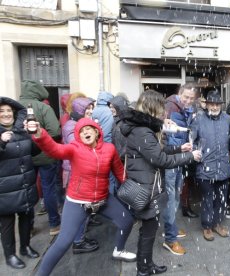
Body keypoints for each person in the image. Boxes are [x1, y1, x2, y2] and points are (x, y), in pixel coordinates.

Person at [29, 118, 136, 276]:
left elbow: (119, 171)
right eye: (81, 130)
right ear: (78, 136)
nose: (85, 132)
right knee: (63, 241)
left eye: (89, 128)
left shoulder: (109, 149)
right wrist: (39, 133)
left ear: (96, 131)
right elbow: (54, 150)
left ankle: (119, 250)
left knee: (127, 221)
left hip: (103, 199)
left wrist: (132, 187)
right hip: (78, 202)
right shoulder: (74, 148)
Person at [119, 90, 201, 275]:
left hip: (149, 184)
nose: (164, 111)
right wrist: (189, 156)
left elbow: (159, 151)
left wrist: (179, 148)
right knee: (148, 231)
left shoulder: (144, 128)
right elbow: (160, 160)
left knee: (150, 229)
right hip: (145, 186)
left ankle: (147, 266)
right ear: (153, 107)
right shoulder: (142, 131)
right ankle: (144, 269)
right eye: (161, 107)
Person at [0, 97, 39, 269]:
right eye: (1, 111)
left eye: (9, 110)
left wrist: (35, 134)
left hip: (25, 183)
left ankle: (25, 247)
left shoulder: (21, 130)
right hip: (4, 188)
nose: (6, 114)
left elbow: (35, 152)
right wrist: (1, 142)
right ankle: (10, 255)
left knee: (26, 216)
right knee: (7, 223)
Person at [19, 80, 62, 236]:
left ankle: (28, 227)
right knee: (48, 189)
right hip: (45, 156)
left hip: (22, 157)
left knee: (26, 191)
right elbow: (55, 131)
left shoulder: (13, 107)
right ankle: (54, 225)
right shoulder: (44, 108)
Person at [191, 90, 230, 241]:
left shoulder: (228, 119)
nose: (214, 107)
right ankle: (207, 226)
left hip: (223, 166)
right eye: (211, 104)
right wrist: (196, 151)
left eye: (217, 105)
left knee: (221, 198)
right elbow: (191, 140)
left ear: (221, 106)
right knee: (208, 198)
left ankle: (217, 223)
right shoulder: (199, 120)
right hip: (205, 167)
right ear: (207, 105)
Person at [62, 97, 99, 254]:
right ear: (79, 110)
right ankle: (78, 242)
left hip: (81, 171)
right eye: (87, 109)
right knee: (80, 208)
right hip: (75, 172)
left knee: (84, 208)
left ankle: (80, 237)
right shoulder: (71, 126)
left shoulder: (78, 123)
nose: (90, 111)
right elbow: (79, 147)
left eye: (91, 108)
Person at [162, 83, 196, 255]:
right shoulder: (172, 107)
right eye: (186, 97)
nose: (188, 100)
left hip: (178, 159)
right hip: (172, 160)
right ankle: (170, 239)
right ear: (179, 94)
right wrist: (186, 152)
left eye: (191, 98)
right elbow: (172, 138)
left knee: (174, 196)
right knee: (171, 198)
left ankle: (171, 228)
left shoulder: (184, 109)